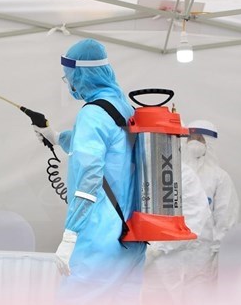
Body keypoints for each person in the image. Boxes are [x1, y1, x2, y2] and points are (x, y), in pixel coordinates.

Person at [33, 38, 146, 304]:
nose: (69, 83)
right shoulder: (122, 108)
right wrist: (56, 136)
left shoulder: (92, 114)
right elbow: (111, 152)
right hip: (131, 238)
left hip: (100, 241)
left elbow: (89, 177)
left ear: (81, 74)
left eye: (69, 76)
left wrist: (71, 233)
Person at [141, 163, 214, 305]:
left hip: (164, 265)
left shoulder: (181, 173)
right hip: (123, 264)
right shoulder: (123, 167)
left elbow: (194, 217)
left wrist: (157, 249)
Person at [181, 119, 240, 284]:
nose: (193, 143)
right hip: (174, 251)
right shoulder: (176, 174)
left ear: (209, 143)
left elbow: (225, 216)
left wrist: (218, 250)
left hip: (202, 252)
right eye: (190, 138)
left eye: (199, 139)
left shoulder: (219, 178)